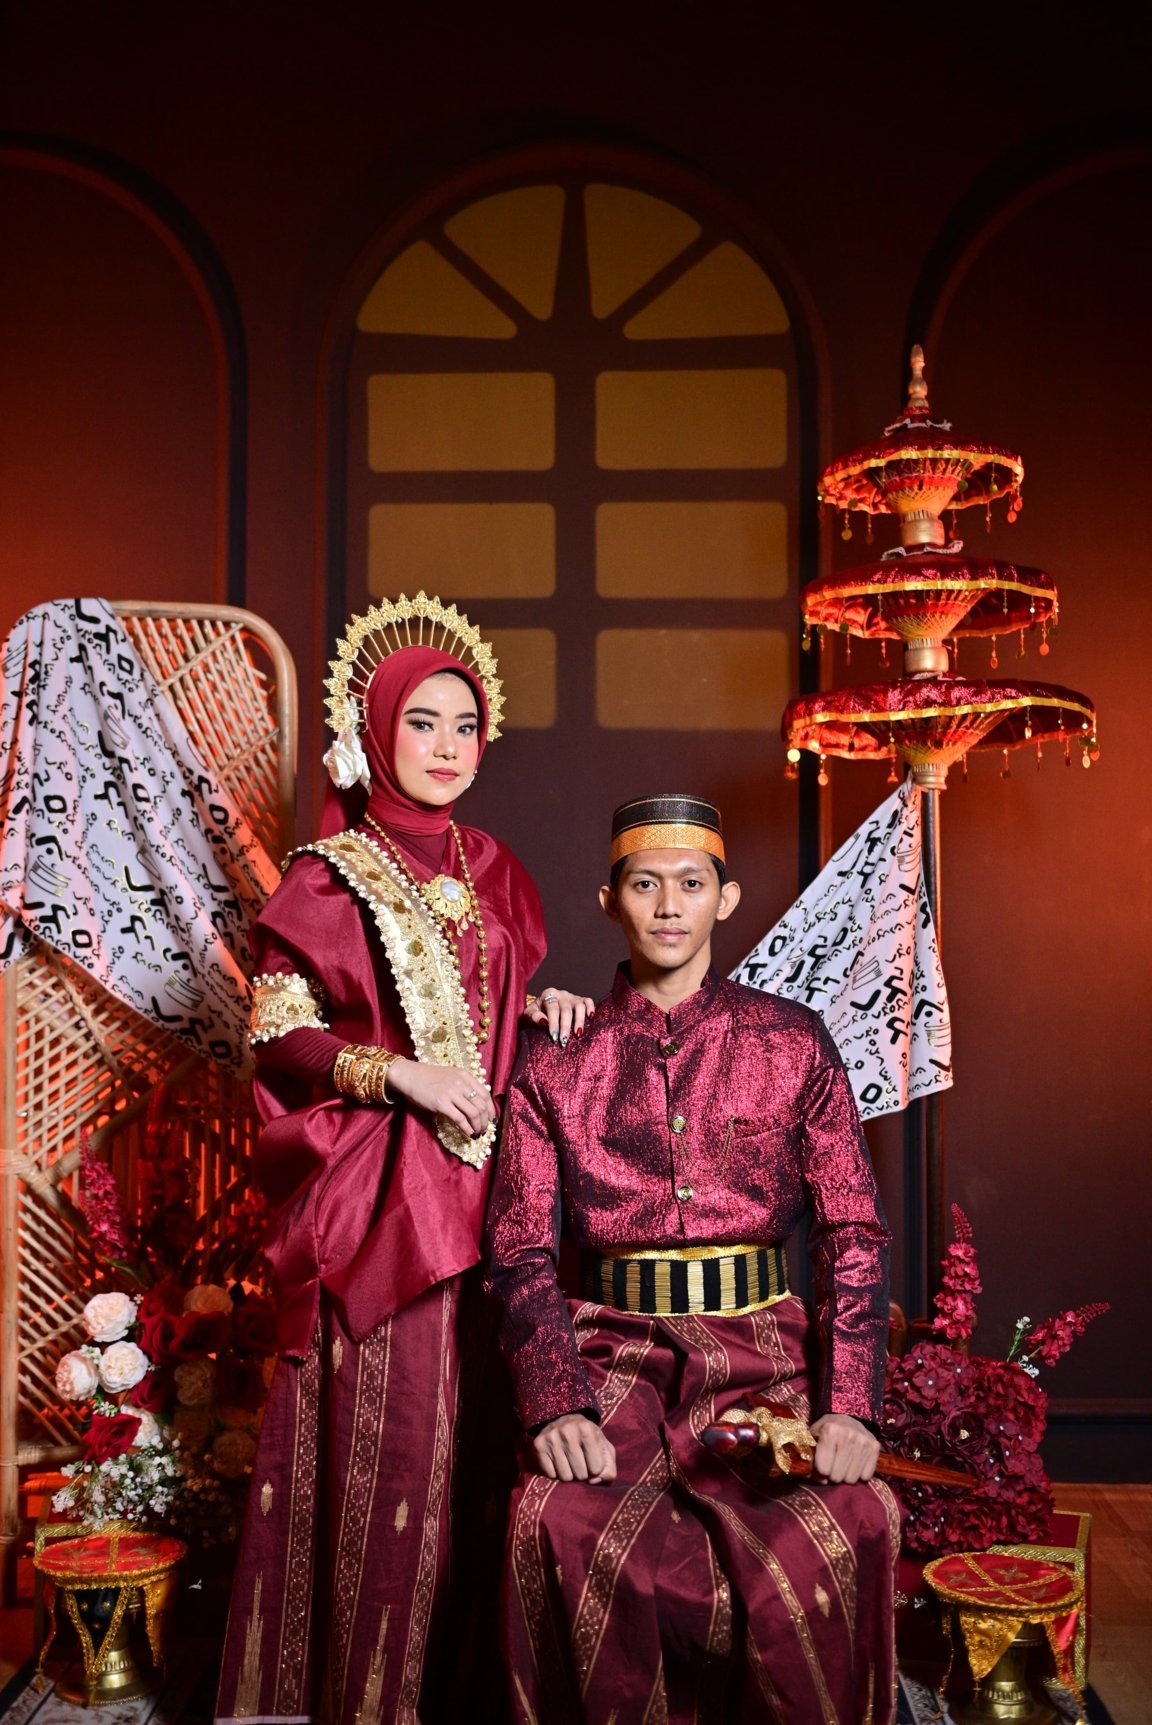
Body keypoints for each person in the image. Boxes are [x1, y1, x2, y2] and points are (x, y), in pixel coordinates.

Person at [216, 596, 591, 1725]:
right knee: (393, 1449)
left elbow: (491, 1010)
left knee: (482, 1446)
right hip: (386, 1193)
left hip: (495, 1191)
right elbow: (277, 1032)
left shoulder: (496, 866)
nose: (446, 747)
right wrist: (401, 1077)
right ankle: (363, 1699)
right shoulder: (328, 875)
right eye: (422, 723)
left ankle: (466, 1693)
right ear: (376, 733)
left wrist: (542, 1006)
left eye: (465, 727)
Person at [485, 793, 899, 1725]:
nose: (669, 906)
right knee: (555, 1517)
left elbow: (853, 1232)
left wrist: (848, 1404)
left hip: (768, 1355)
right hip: (610, 1353)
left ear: (726, 897)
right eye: (645, 885)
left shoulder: (793, 1041)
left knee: (843, 1522)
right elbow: (517, 1249)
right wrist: (555, 1401)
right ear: (609, 901)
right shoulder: (557, 1056)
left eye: (691, 884)